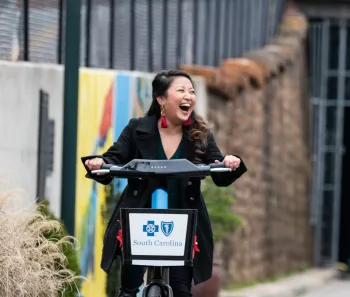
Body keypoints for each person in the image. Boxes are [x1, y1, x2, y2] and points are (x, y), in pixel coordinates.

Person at [82, 69, 247, 297]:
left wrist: (228, 162)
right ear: (161, 99)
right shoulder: (137, 128)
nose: (188, 96)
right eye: (181, 90)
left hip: (183, 222)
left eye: (191, 91)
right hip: (140, 221)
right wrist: (101, 162)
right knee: (128, 290)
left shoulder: (200, 134)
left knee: (181, 290)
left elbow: (217, 165)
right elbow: (115, 157)